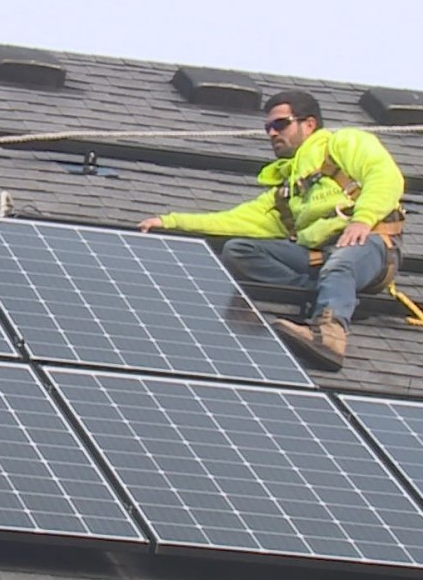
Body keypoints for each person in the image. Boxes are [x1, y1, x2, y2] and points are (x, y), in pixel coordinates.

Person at [139, 90, 405, 370]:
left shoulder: (344, 143)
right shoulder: (289, 187)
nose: (272, 133)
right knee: (239, 250)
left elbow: (384, 175)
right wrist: (171, 221)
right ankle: (328, 295)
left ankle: (330, 336)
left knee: (342, 262)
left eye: (281, 124)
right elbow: (237, 219)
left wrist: (362, 219)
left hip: (372, 244)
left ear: (309, 124)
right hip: (321, 256)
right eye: (268, 127)